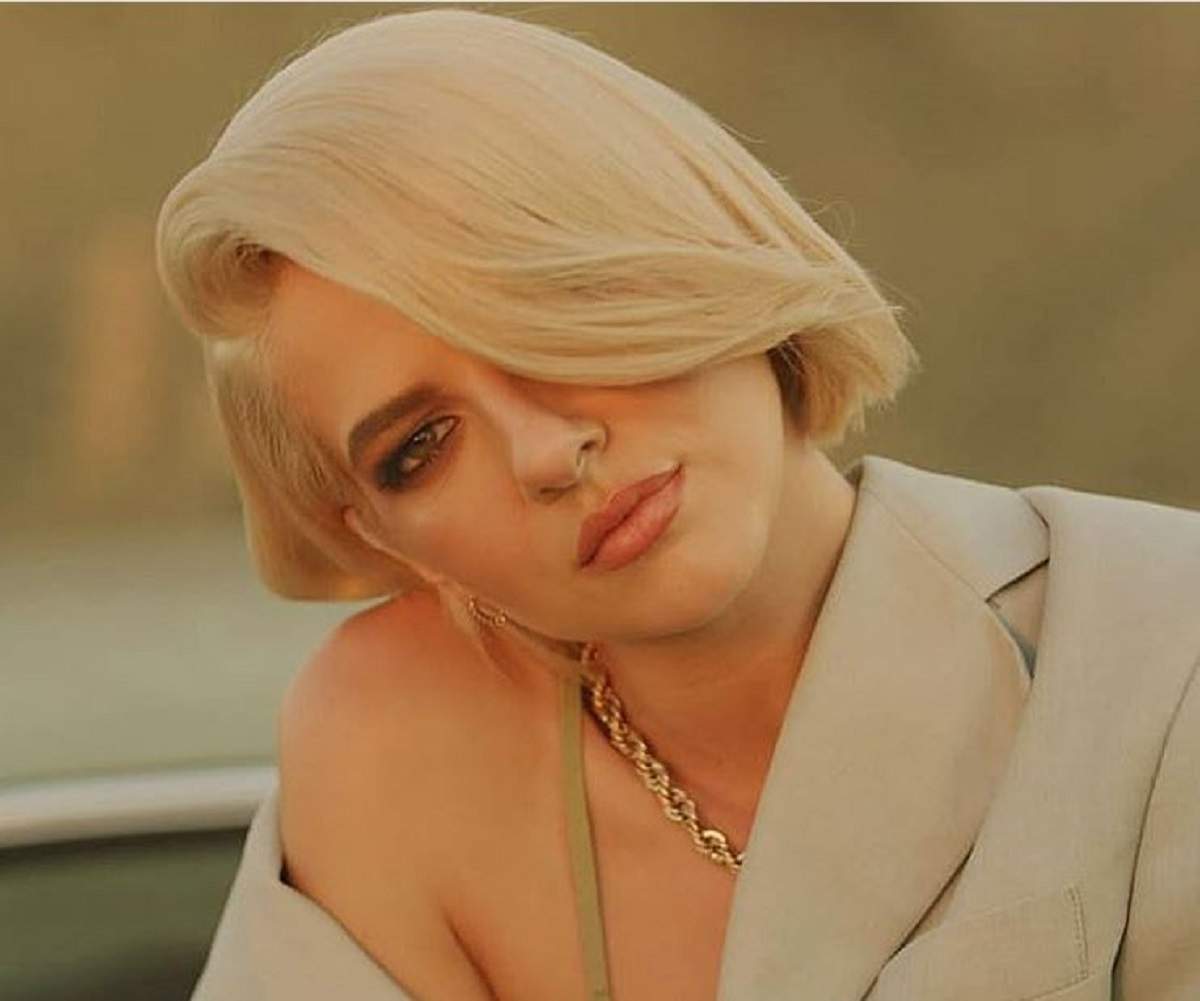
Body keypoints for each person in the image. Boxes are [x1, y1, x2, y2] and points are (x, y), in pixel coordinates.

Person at [156, 9, 1200, 1001]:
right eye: (421, 446)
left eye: (548, 308)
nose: (546, 450)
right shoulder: (390, 748)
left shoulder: (1159, 636)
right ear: (381, 534)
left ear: (698, 247)